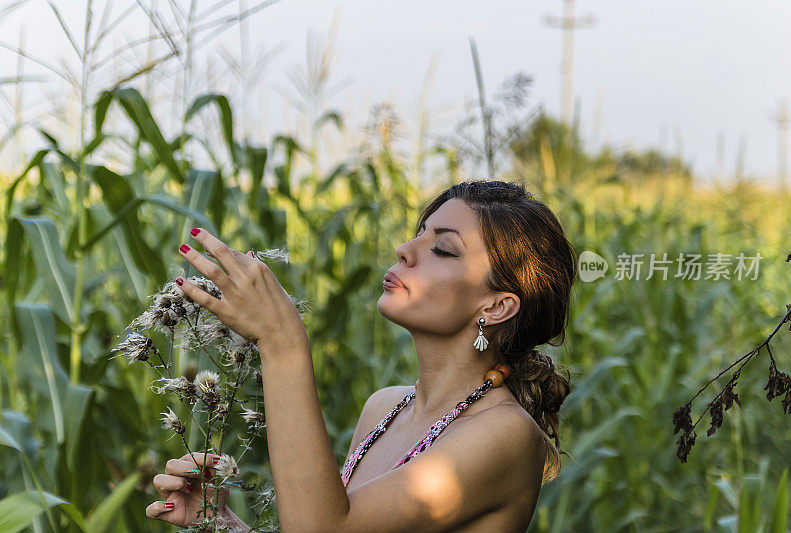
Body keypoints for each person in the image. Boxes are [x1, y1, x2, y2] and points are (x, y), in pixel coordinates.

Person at [147, 179, 576, 532]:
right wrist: (221, 522)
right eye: (419, 232)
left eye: (443, 248)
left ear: (496, 306)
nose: (405, 249)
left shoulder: (507, 434)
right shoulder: (384, 408)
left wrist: (282, 343)